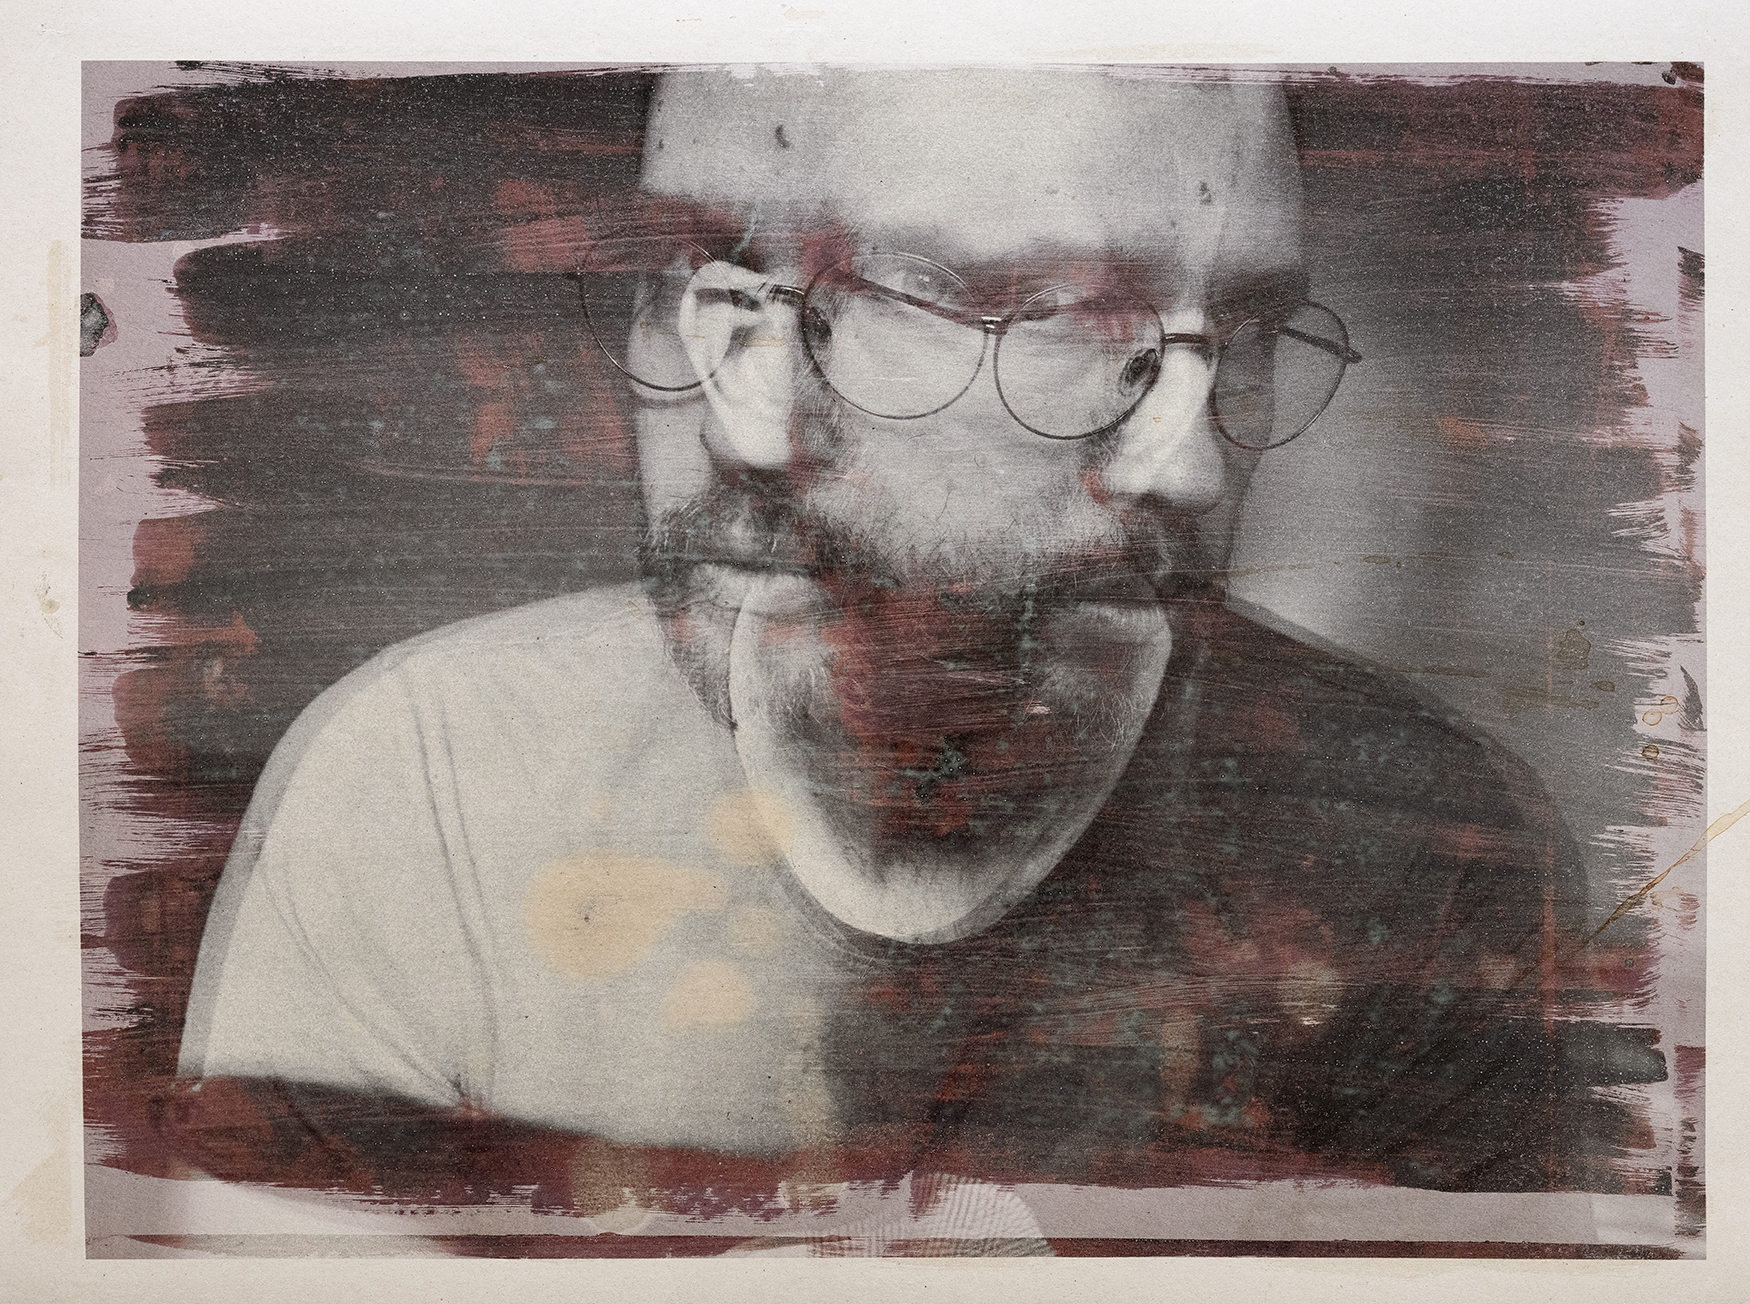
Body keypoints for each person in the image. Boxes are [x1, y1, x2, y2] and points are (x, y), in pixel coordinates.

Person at [171, 67, 1616, 1232]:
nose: (1189, 466)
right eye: (1074, 320)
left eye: (1242, 333)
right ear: (747, 354)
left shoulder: (1431, 850)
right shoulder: (427, 795)